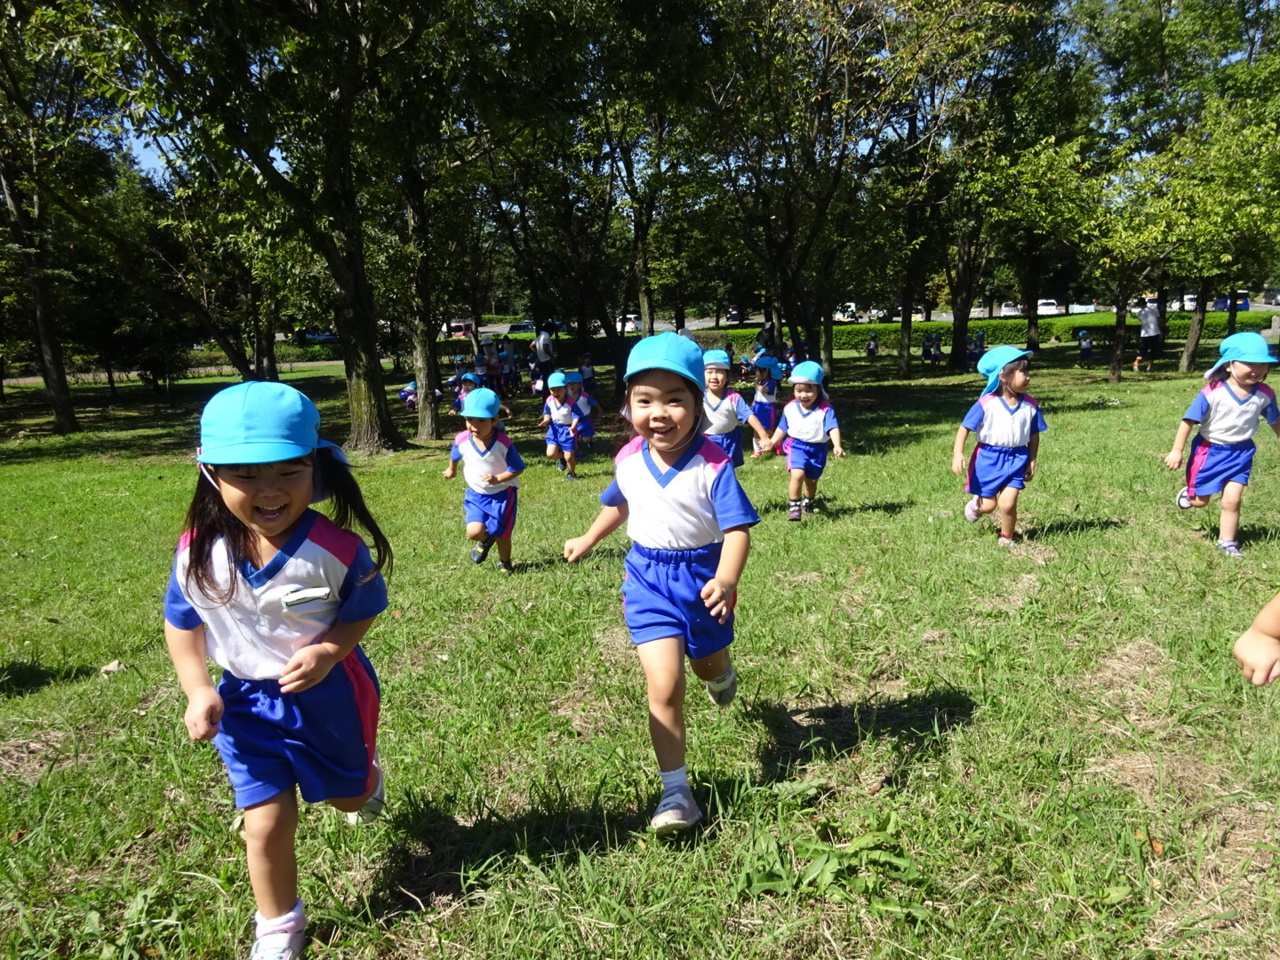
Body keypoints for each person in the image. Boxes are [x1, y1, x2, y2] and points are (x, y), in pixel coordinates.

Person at [163, 381, 393, 960]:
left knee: (348, 801)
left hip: (330, 697)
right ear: (211, 474)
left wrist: (329, 651)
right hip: (244, 706)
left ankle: (366, 780)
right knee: (264, 823)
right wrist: (197, 688)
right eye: (245, 474)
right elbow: (182, 623)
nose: (269, 490)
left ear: (314, 467)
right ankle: (278, 926)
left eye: (288, 472)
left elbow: (362, 610)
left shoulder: (339, 549)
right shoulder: (197, 552)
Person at [563, 333, 759, 835]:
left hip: (703, 582)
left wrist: (726, 578)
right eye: (645, 400)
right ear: (628, 404)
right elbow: (621, 502)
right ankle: (677, 792)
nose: (659, 413)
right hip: (647, 580)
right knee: (664, 685)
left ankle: (719, 672)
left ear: (697, 405)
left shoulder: (714, 464)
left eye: (675, 400)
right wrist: (588, 537)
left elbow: (738, 530)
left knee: (707, 665)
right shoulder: (629, 458)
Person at [1163, 332, 1280, 558]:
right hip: (1209, 452)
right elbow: (1188, 421)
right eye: (1250, 363)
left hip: (1241, 453)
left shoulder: (1265, 394)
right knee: (1199, 502)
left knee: (1232, 500)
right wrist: (1177, 450)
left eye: (1262, 364)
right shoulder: (1212, 393)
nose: (1257, 369)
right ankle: (1191, 493)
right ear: (1228, 365)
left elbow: (1275, 421)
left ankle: (1227, 542)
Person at [952, 345, 1047, 547]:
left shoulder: (1031, 405)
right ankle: (977, 506)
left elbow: (1034, 435)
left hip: (1017, 458)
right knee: (989, 506)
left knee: (1008, 503)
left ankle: (1007, 538)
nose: (1028, 377)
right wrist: (958, 453)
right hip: (987, 460)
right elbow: (964, 427)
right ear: (1003, 376)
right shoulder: (986, 403)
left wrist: (1032, 459)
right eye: (1023, 372)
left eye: (1028, 372)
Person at [442, 388, 525, 574]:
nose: (474, 426)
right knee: (474, 532)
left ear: (494, 421)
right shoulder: (462, 439)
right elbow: (455, 455)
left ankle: (505, 562)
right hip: (476, 495)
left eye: (481, 420)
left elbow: (517, 468)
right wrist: (451, 470)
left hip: (503, 495)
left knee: (502, 535)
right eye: (470, 419)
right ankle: (486, 541)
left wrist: (498, 478)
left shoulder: (503, 443)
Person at [769, 361, 845, 520]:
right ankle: (794, 507)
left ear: (818, 389)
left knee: (811, 481)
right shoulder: (790, 408)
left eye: (809, 390)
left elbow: (833, 427)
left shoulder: (825, 409)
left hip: (818, 449)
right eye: (799, 390)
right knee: (797, 475)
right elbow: (783, 427)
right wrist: (773, 441)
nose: (803, 395)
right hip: (796, 446)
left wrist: (837, 445)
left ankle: (808, 501)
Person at [702, 349, 772, 467]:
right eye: (709, 372)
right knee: (707, 472)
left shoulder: (734, 398)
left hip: (729, 441)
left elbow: (749, 416)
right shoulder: (698, 397)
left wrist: (763, 436)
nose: (714, 376)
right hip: (705, 441)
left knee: (727, 471)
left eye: (719, 372)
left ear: (727, 376)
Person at [538, 371, 580, 480]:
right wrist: (546, 420)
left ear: (565, 388)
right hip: (554, 429)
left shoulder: (570, 402)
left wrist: (573, 426)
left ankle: (571, 473)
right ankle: (561, 458)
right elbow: (547, 412)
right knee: (550, 454)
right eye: (552, 390)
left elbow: (576, 416)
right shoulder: (549, 400)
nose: (555, 392)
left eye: (559, 389)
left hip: (568, 430)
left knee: (569, 456)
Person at [749, 356, 781, 458]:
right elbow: (757, 395)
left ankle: (778, 444)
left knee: (768, 430)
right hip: (757, 407)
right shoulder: (760, 382)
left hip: (767, 409)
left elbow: (764, 390)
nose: (756, 373)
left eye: (757, 371)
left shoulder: (772, 383)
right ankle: (757, 450)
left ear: (766, 372)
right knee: (756, 428)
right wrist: (753, 403)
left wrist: (756, 385)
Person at [566, 371, 600, 452]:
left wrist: (600, 411)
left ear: (580, 384)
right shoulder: (566, 396)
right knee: (573, 438)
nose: (571, 386)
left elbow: (595, 403)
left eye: (574, 384)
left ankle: (590, 441)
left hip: (584, 420)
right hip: (572, 420)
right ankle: (577, 453)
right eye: (569, 384)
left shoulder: (584, 395)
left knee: (586, 439)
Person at [1134, 299, 1161, 372]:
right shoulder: (1155, 310)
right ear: (1146, 303)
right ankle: (1149, 367)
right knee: (1153, 350)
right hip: (1155, 332)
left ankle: (1136, 362)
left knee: (1143, 350)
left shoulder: (1139, 313)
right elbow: (1158, 321)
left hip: (1144, 334)